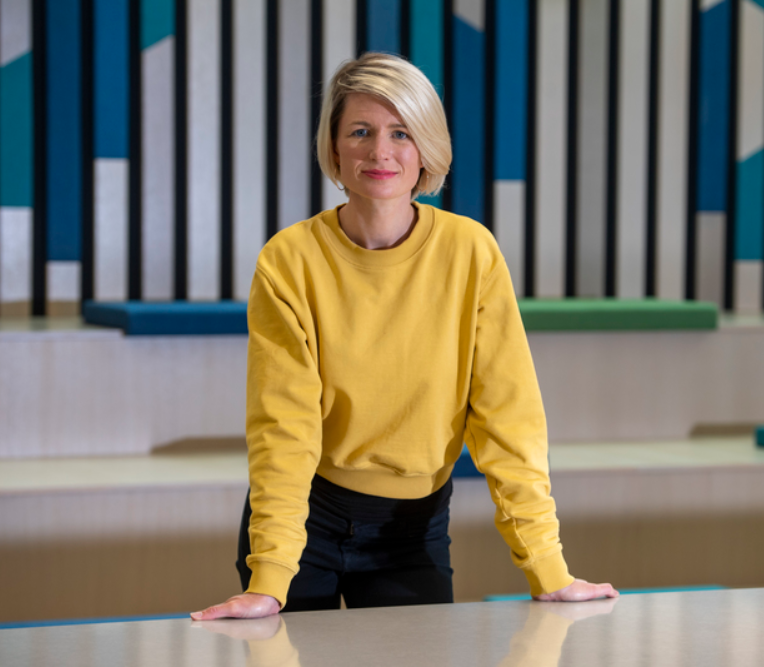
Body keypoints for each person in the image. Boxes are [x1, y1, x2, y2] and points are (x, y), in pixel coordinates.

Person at [191, 52, 617, 621]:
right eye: (360, 132)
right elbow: (283, 426)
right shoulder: (289, 260)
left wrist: (547, 567)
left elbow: (507, 417)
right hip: (304, 519)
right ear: (335, 149)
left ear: (427, 150)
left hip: (412, 528)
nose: (380, 151)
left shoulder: (471, 252)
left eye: (401, 133)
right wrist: (270, 577)